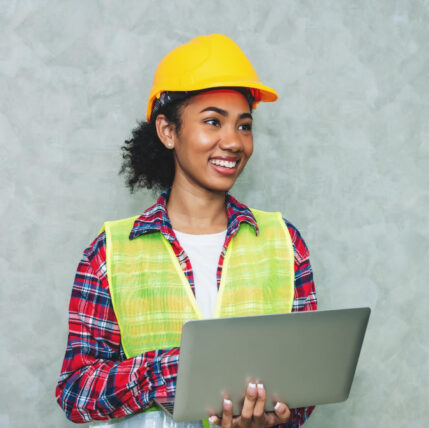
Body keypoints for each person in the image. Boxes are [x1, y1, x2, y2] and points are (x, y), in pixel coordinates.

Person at [55, 34, 317, 428]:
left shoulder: (284, 242)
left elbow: (305, 382)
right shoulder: (111, 251)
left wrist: (277, 418)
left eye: (244, 126)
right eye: (213, 122)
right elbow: (76, 392)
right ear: (168, 131)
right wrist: (173, 370)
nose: (233, 142)